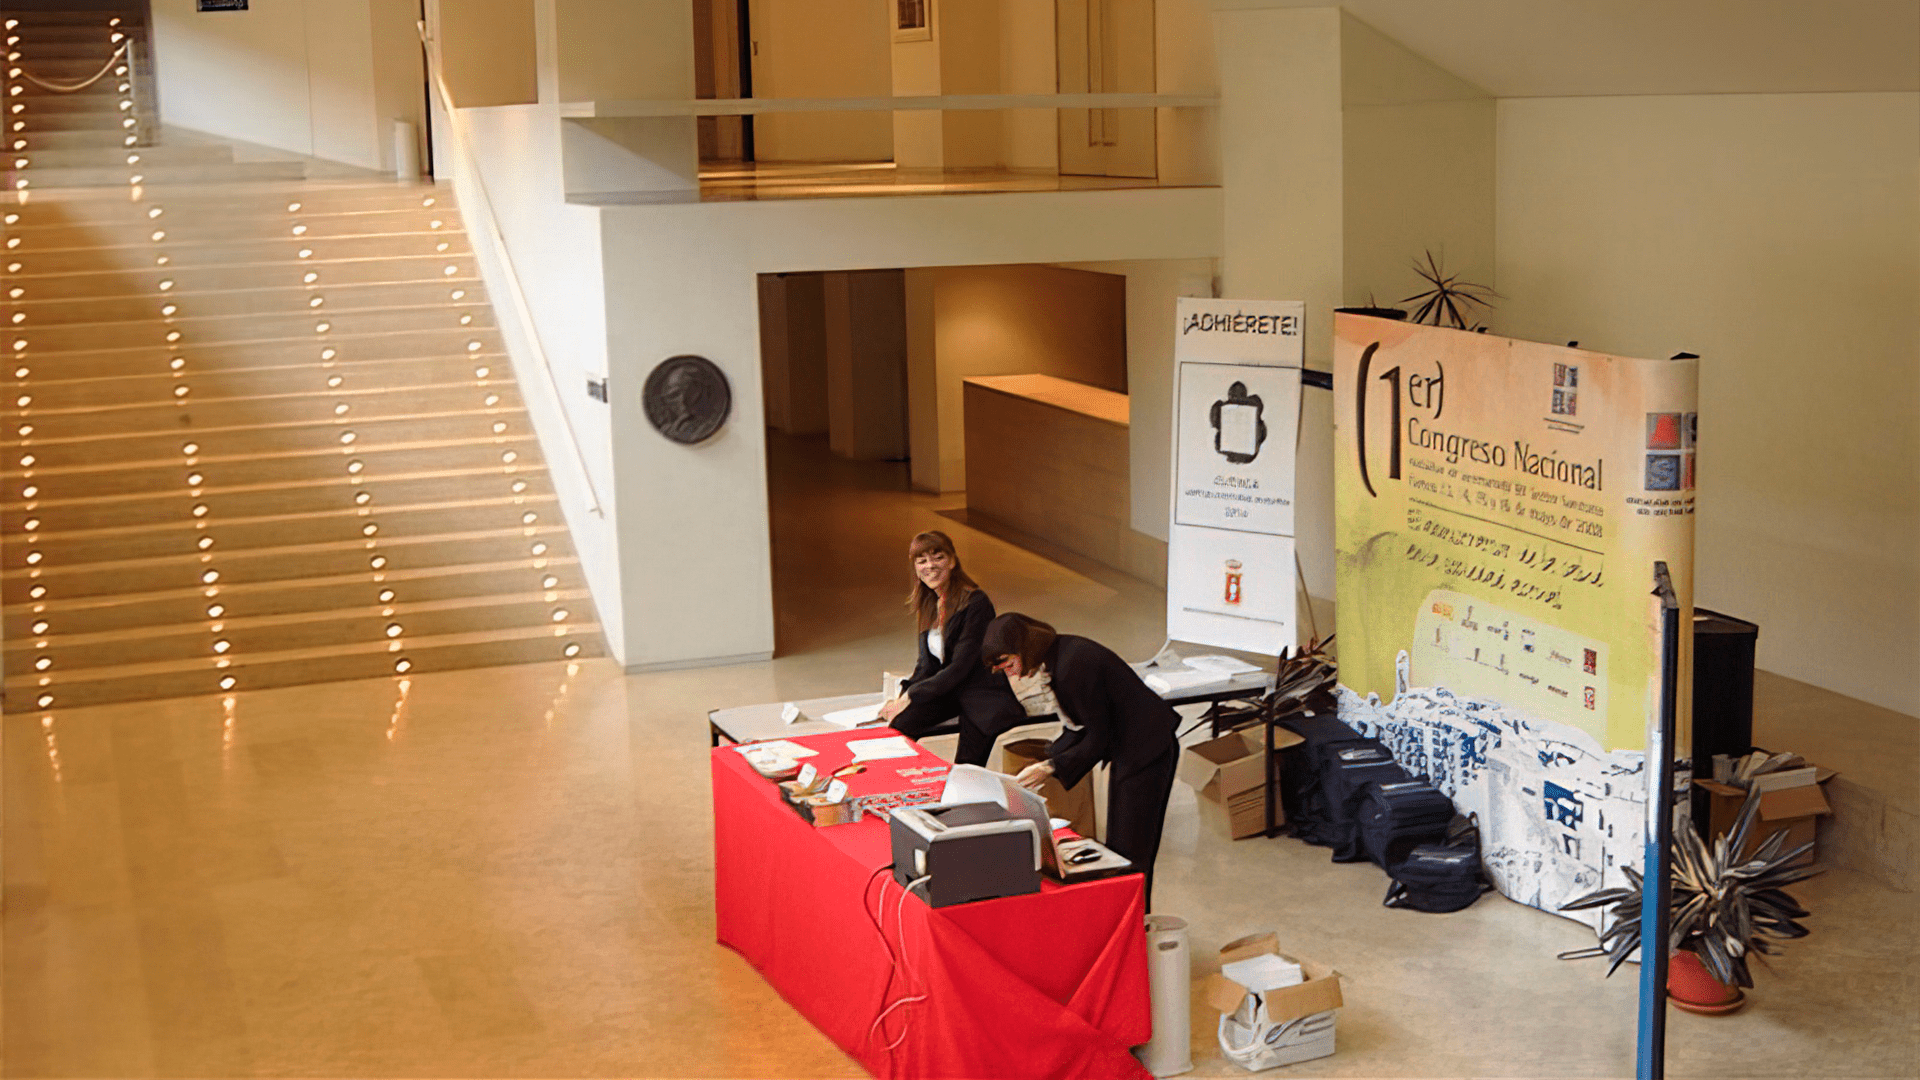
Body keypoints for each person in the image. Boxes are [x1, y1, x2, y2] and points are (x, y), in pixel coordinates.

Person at [981, 613, 1180, 906]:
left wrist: (1050, 767)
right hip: (1130, 744)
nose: (1012, 674)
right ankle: (1129, 917)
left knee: (1131, 851)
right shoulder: (1059, 655)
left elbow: (1098, 737)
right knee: (1121, 848)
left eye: (1009, 664)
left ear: (1024, 648)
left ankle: (1134, 923)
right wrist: (1047, 759)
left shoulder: (1073, 666)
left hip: (1147, 747)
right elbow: (1077, 727)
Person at [881, 532, 1026, 767]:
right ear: (916, 568)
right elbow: (926, 665)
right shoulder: (928, 602)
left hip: (979, 694)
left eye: (937, 558)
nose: (931, 566)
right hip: (949, 691)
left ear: (952, 561)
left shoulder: (976, 603)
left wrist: (911, 696)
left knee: (966, 769)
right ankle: (910, 791)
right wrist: (901, 697)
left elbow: (960, 667)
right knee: (900, 727)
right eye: (922, 561)